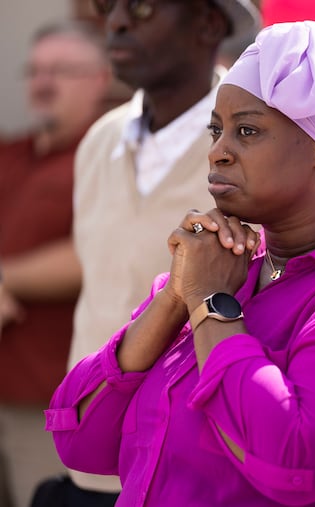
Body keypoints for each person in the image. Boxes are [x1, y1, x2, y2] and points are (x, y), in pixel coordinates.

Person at [46, 20, 315, 507]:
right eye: (216, 130)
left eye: (247, 131)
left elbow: (290, 463)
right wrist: (176, 297)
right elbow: (78, 435)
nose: (217, 152)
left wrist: (211, 305)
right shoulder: (224, 265)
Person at [46, 0, 261, 503]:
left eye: (141, 7)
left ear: (209, 22)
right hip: (88, 458)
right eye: (108, 6)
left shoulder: (254, 151)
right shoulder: (98, 140)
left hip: (186, 472)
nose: (116, 21)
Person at [0, 21, 111, 507]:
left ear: (101, 79)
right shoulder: (9, 153)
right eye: (35, 70)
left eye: (61, 70)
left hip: (49, 398)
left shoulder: (108, 156)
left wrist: (5, 277)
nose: (43, 82)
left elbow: (96, 251)